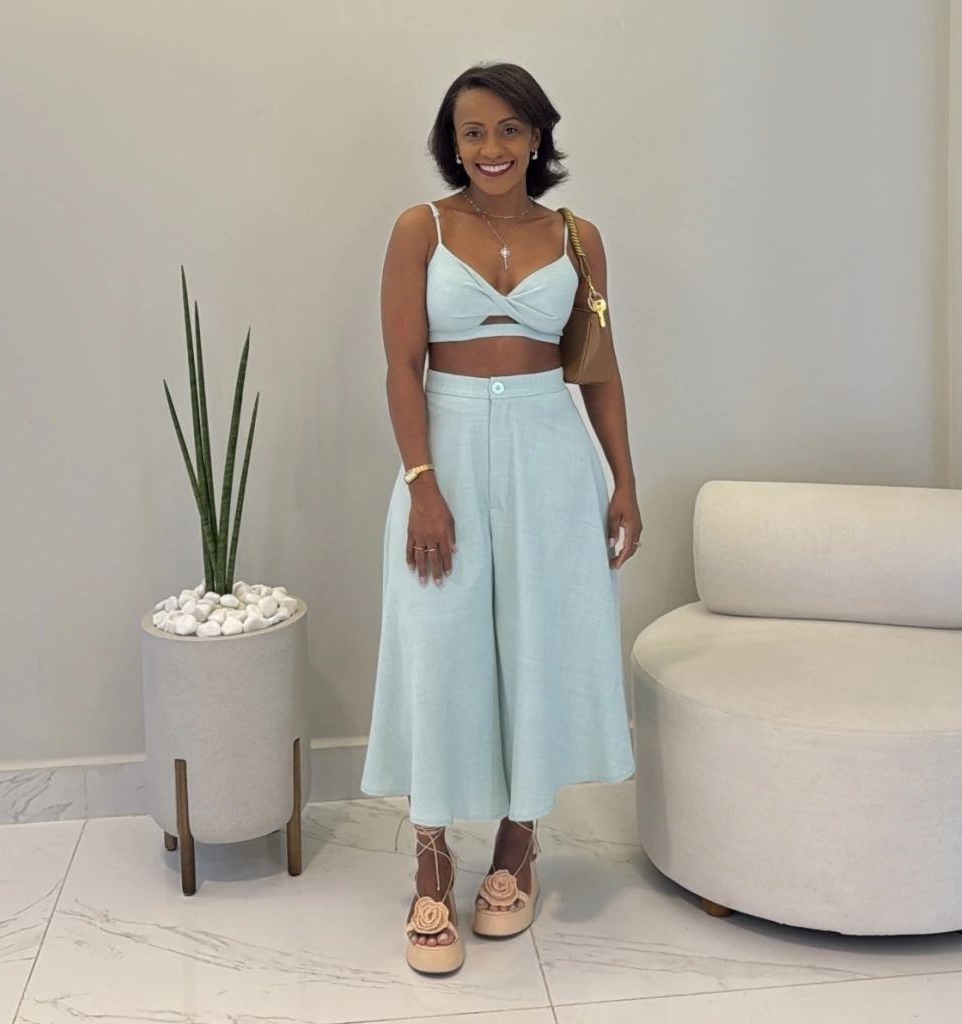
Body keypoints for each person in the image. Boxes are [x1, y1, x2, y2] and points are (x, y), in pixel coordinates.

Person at [361, 61, 641, 975]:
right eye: (473, 131)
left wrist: (624, 483)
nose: (491, 147)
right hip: (444, 450)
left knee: (538, 645)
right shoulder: (421, 228)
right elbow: (402, 366)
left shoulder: (579, 238)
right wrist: (422, 482)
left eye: (509, 129)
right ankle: (432, 861)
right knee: (437, 649)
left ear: (536, 137)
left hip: (550, 456)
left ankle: (518, 848)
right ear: (453, 142)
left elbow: (597, 368)